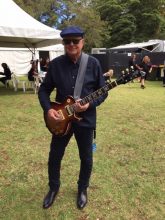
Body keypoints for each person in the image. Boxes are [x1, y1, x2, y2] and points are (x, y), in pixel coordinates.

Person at [38, 26, 107, 210]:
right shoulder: (56, 64)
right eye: (67, 41)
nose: (71, 44)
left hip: (85, 121)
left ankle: (82, 189)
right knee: (55, 156)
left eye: (75, 41)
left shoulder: (93, 63)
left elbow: (103, 91)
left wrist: (89, 104)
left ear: (82, 42)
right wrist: (48, 109)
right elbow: (44, 90)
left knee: (86, 158)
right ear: (63, 43)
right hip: (61, 119)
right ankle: (53, 188)